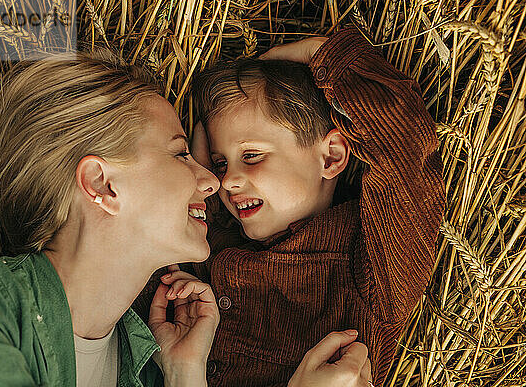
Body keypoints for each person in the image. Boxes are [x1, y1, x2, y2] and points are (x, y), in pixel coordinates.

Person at [0, 49, 372, 387]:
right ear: (102, 184)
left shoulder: (148, 360)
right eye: (181, 154)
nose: (214, 183)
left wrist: (184, 374)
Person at [183, 25, 445, 386]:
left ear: (331, 156)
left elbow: (406, 152)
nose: (227, 181)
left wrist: (329, 58)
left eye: (252, 155)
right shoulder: (210, 238)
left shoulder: (371, 263)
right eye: (221, 162)